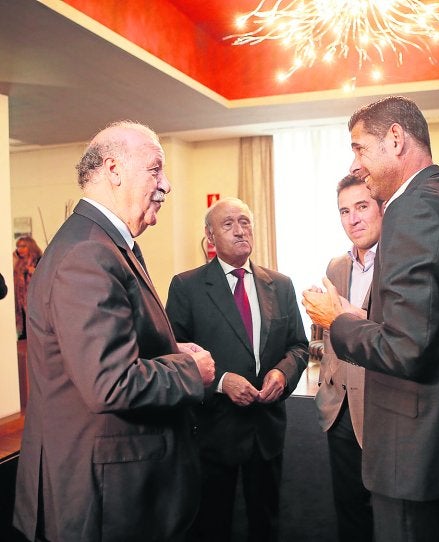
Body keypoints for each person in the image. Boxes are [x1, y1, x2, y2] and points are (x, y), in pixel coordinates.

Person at [303, 96, 439, 542]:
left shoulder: (410, 209)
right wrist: (365, 317)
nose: (354, 165)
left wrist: (337, 320)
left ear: (395, 139)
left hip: (419, 451)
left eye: (358, 148)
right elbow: (432, 324)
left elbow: (404, 348)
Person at [13, 121, 216, 542]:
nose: (167, 184)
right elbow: (111, 382)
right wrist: (189, 369)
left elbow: (101, 350)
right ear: (113, 169)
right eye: (155, 169)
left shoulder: (101, 242)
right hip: (106, 499)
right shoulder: (89, 252)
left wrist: (167, 347)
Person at [166, 197, 308, 542]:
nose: (240, 230)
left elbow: (298, 346)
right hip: (214, 428)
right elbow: (171, 357)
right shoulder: (187, 286)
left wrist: (283, 373)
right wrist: (221, 381)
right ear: (210, 236)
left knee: (266, 522)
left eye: (244, 222)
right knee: (212, 524)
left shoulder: (281, 284)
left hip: (266, 427)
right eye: (228, 224)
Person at [315, 174, 382, 542]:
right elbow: (331, 334)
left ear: (381, 207)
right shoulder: (335, 267)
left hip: (381, 408)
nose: (353, 218)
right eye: (345, 210)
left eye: (362, 206)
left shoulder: (399, 263)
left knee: (386, 511)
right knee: (349, 510)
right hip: (338, 408)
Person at [13, 235, 43, 339]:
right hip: (21, 303)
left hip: (35, 302)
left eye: (23, 246)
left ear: (30, 246)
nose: (19, 250)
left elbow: (46, 279)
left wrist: (34, 272)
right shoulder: (17, 263)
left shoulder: (40, 260)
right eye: (18, 247)